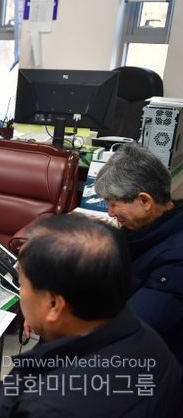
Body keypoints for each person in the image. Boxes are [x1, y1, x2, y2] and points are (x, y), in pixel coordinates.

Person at [0, 215, 182, 417]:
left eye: (22, 284)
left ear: (54, 305)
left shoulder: (45, 406)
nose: (21, 292)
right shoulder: (147, 338)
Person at [94, 143, 183, 365]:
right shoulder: (144, 231)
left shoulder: (175, 261)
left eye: (113, 204)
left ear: (145, 201)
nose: (110, 213)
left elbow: (130, 332)